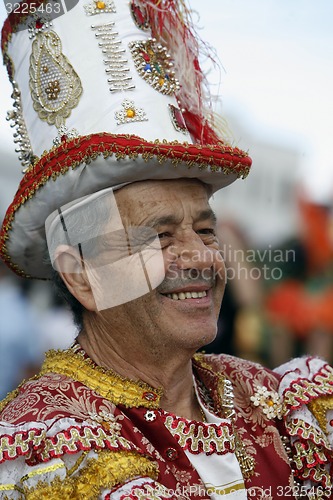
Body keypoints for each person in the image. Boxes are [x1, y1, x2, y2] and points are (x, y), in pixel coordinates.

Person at [0, 1, 332, 498]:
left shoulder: (272, 399)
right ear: (82, 275)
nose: (200, 258)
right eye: (161, 236)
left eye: (205, 231)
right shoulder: (49, 444)